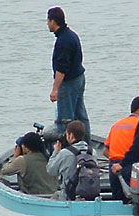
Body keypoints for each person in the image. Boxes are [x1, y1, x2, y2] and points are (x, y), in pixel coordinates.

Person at [47, 7, 91, 143]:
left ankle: (66, 151)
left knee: (65, 120)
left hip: (69, 83)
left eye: (48, 21)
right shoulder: (71, 35)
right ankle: (87, 145)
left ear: (54, 22)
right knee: (81, 116)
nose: (47, 24)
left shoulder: (63, 41)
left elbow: (62, 69)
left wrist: (55, 89)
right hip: (79, 78)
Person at [103, 96, 139, 202]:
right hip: (131, 166)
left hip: (113, 166)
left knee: (117, 201)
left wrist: (116, 164)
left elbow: (105, 151)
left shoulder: (117, 125)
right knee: (135, 200)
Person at [46, 120, 95, 200]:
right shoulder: (92, 152)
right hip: (89, 195)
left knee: (56, 196)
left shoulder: (65, 153)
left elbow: (50, 170)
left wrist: (56, 152)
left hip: (68, 196)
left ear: (71, 135)